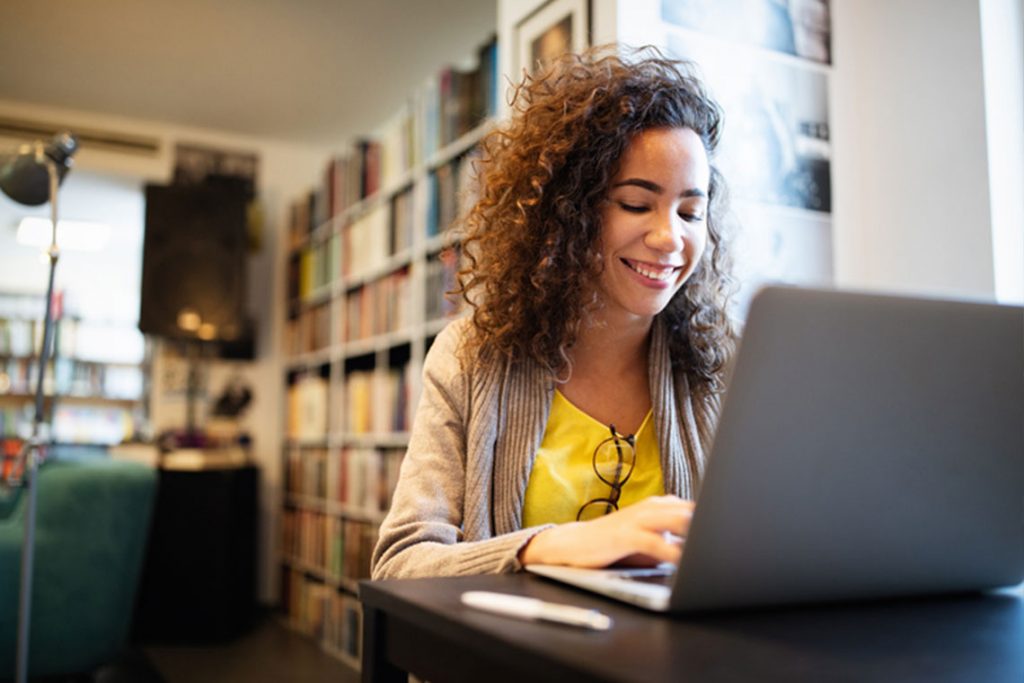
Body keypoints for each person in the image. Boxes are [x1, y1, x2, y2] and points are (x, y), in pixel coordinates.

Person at [371, 45, 734, 579]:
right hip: (515, 661)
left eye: (690, 212)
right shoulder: (471, 356)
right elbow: (399, 563)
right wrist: (547, 547)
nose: (669, 238)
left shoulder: (729, 364)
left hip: (678, 661)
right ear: (567, 210)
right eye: (636, 204)